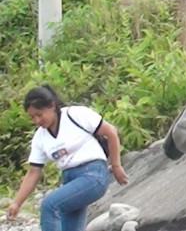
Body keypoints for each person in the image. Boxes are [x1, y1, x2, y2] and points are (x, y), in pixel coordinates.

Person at [5, 85, 129, 231]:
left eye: (39, 114)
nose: (37, 121)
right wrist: (17, 203)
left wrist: (115, 165)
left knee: (49, 205)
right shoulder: (40, 137)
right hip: (69, 179)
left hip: (93, 174)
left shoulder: (75, 115)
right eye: (32, 117)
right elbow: (33, 172)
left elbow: (111, 132)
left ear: (52, 105)